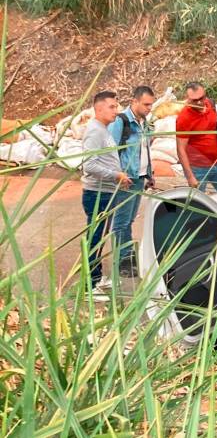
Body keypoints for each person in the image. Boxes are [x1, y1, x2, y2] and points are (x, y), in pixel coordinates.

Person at [81, 90, 131, 298]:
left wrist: (118, 178)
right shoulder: (94, 131)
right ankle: (89, 286)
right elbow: (89, 164)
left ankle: (97, 277)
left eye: (116, 106)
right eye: (111, 106)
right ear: (98, 108)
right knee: (95, 238)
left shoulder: (104, 129)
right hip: (97, 193)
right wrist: (116, 175)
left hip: (106, 191)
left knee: (100, 236)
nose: (116, 110)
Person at [108, 85, 155, 278]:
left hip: (139, 177)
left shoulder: (143, 122)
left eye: (151, 105)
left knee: (129, 220)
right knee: (121, 222)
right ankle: (122, 261)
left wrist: (149, 173)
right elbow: (109, 151)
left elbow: (145, 149)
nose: (149, 108)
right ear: (134, 101)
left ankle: (127, 256)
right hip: (126, 179)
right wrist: (118, 174)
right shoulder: (121, 121)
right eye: (145, 104)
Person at [175, 81, 217, 193]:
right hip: (198, 169)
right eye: (194, 100)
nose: (199, 102)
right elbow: (180, 149)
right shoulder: (184, 118)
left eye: (201, 98)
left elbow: (216, 119)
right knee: (197, 202)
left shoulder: (210, 104)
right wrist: (190, 177)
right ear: (187, 98)